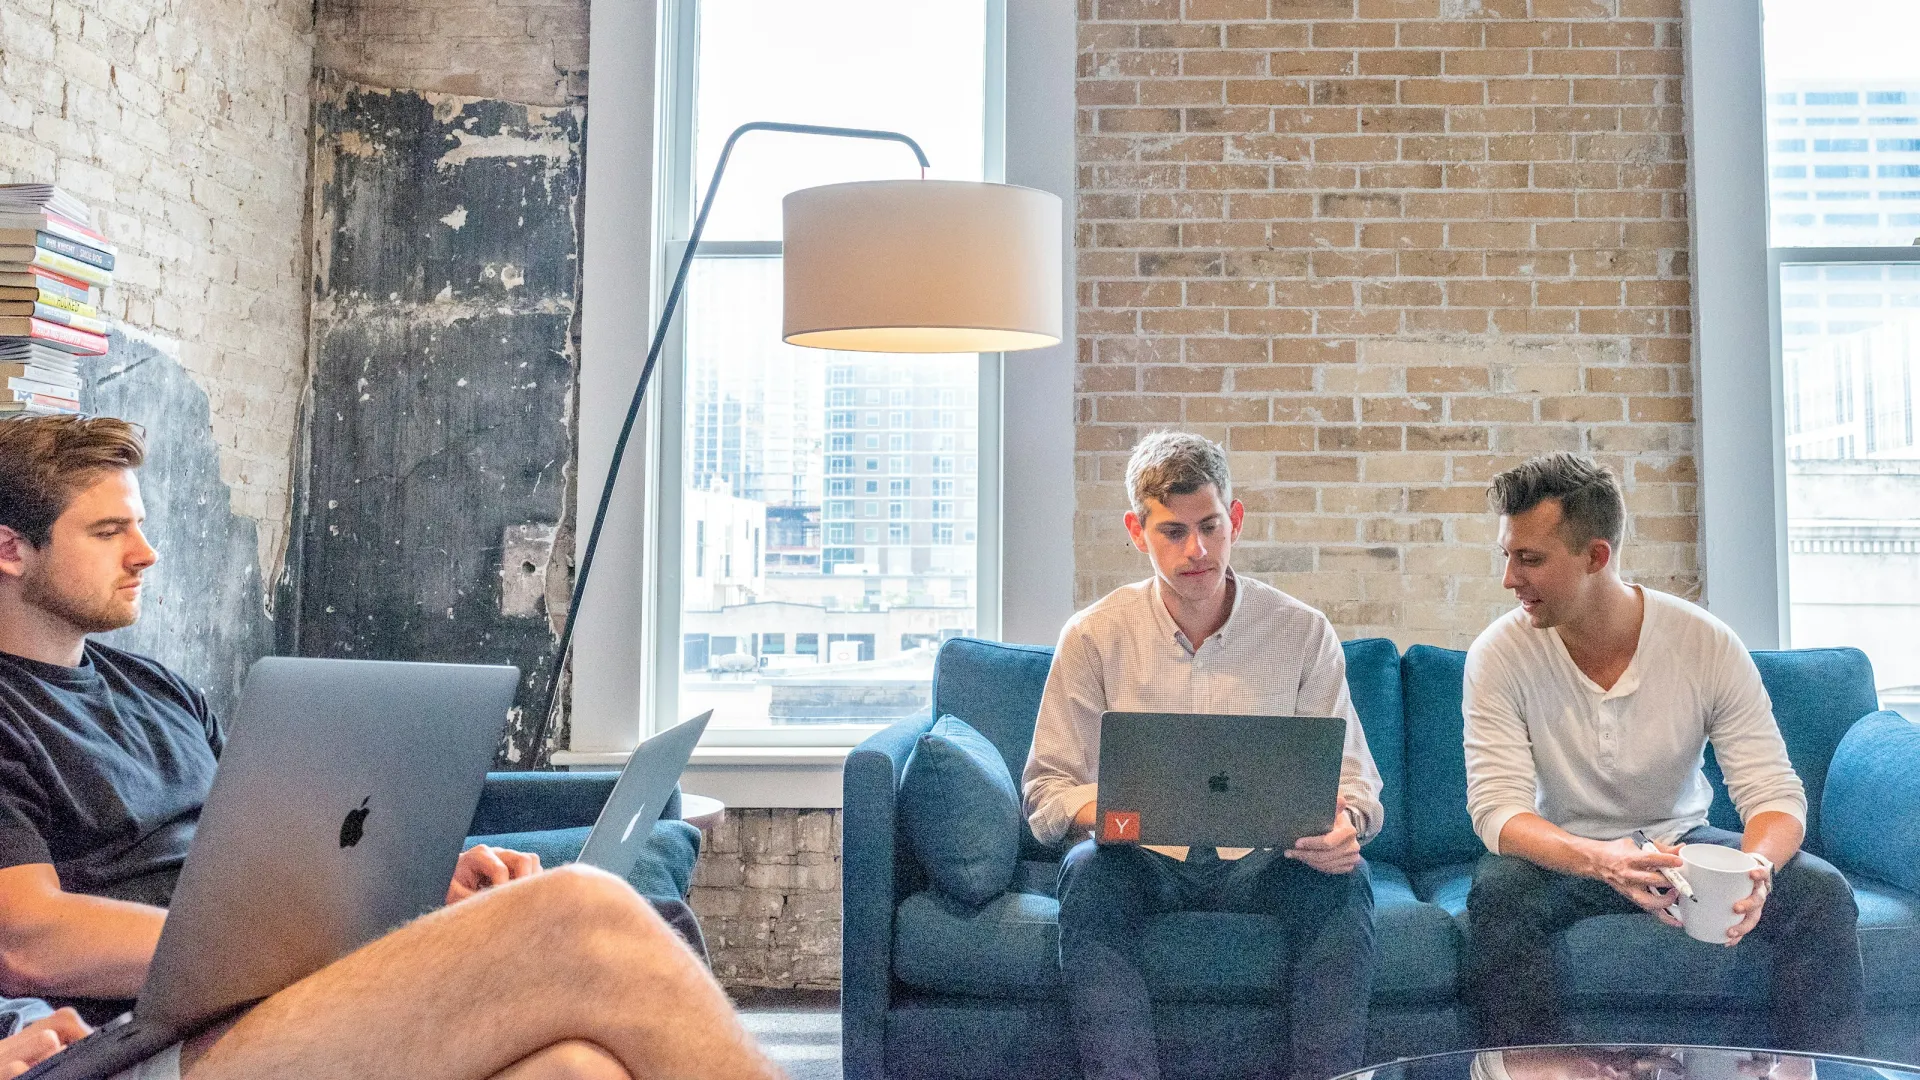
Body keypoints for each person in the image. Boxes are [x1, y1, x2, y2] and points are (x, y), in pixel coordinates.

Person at [0, 415, 779, 1080]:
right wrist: (324, 933)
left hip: (265, 997)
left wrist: (417, 886)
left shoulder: (157, 689)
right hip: (144, 1041)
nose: (145, 553)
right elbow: (29, 942)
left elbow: (267, 861)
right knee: (581, 908)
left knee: (577, 1067)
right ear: (11, 550)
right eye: (108, 532)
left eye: (138, 525)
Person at [1460, 452, 1864, 1054]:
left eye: (1530, 559)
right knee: (1498, 893)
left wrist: (1755, 871)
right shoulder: (1499, 654)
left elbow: (1774, 794)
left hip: (1682, 845)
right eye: (1508, 556)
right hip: (1567, 850)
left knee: (1821, 892)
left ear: (1596, 557)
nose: (1509, 579)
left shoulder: (1705, 644)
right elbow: (1497, 812)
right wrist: (1602, 860)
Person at [1022, 431, 1385, 1080]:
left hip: (1268, 859)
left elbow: (1354, 780)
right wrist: (1122, 810)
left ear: (1234, 521)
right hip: (1143, 857)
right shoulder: (1093, 636)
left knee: (1346, 883)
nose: (1196, 550)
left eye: (1210, 527)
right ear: (1137, 532)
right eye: (1172, 532)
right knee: (1086, 873)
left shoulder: (1301, 631)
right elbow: (1048, 788)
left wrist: (1345, 826)